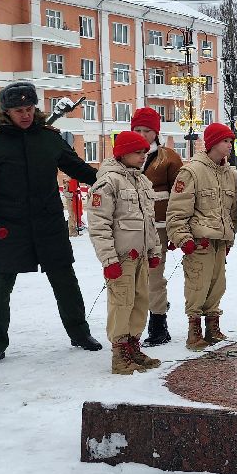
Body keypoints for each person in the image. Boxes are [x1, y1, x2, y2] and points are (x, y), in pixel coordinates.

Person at [0, 81, 103, 367]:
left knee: (65, 280)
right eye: (18, 110)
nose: (25, 115)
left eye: (29, 108)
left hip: (48, 222)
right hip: (7, 225)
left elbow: (76, 167)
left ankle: (79, 333)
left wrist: (107, 179)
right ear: (6, 112)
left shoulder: (49, 138)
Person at [87, 130, 163, 375]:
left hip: (139, 254)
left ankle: (133, 346)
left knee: (141, 300)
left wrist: (153, 249)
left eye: (144, 152)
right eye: (137, 152)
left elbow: (148, 221)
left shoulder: (141, 181)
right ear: (122, 153)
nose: (143, 157)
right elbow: (99, 224)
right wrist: (108, 259)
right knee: (122, 302)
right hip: (120, 257)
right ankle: (120, 353)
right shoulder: (108, 182)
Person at [166, 123, 237, 349]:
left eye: (231, 141)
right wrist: (183, 239)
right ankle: (194, 331)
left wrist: (230, 238)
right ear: (212, 143)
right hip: (199, 242)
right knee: (197, 286)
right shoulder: (192, 172)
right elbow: (177, 211)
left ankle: (213, 327)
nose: (229, 145)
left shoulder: (229, 174)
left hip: (220, 240)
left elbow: (231, 211)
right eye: (225, 141)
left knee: (217, 285)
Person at [130, 108, 183, 347]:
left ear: (156, 132)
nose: (142, 135)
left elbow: (180, 197)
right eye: (137, 130)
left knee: (154, 276)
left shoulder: (169, 157)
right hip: (129, 228)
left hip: (159, 227)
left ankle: (158, 325)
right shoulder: (123, 156)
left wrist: (174, 229)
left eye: (147, 130)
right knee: (131, 278)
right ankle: (131, 327)